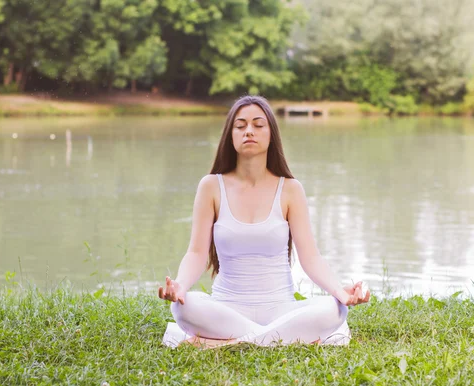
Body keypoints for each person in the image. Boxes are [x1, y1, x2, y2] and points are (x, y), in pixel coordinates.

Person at [158, 95, 370, 348]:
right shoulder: (211, 186)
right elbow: (195, 252)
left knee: (334, 310)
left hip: (281, 309)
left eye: (258, 125)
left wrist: (339, 291)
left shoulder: (291, 189)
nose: (249, 131)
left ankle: (224, 343)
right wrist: (180, 287)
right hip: (225, 308)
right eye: (241, 125)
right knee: (184, 308)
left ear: (271, 135)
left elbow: (311, 257)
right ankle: (279, 340)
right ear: (231, 135)